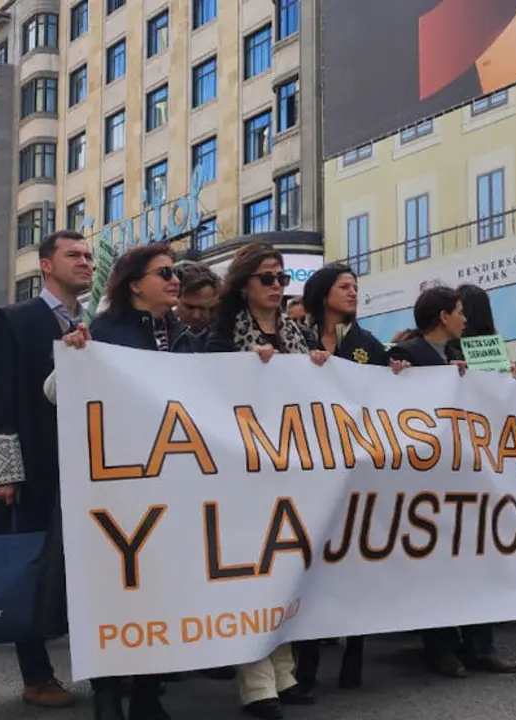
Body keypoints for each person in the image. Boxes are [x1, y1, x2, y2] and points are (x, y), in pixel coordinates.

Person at [54, 243, 185, 720]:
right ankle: (108, 694)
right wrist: (72, 357)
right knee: (113, 588)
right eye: (165, 272)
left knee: (159, 588)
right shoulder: (101, 332)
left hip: (167, 479)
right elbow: (54, 391)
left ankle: (148, 694)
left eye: (178, 274)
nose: (176, 281)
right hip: (114, 482)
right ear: (135, 283)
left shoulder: (180, 333)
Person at [206, 240, 327, 720]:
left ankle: (284, 674)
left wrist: (319, 364)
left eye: (281, 279)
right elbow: (207, 388)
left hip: (291, 467)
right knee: (252, 573)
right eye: (266, 278)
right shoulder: (222, 334)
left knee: (284, 569)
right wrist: (242, 367)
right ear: (244, 284)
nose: (277, 287)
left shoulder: (298, 333)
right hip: (243, 469)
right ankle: (257, 687)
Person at [0, 229, 94, 708]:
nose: (85, 262)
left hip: (87, 465)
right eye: (73, 255)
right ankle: (36, 674)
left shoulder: (95, 322)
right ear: (46, 264)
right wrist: (5, 471)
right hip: (37, 465)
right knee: (32, 566)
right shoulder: (14, 320)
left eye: (88, 255)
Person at [390, 286, 516, 678]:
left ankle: (482, 645)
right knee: (438, 566)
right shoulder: (407, 356)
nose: (465, 319)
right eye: (459, 312)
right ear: (443, 316)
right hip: (429, 476)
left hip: (468, 470)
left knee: (478, 558)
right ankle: (442, 647)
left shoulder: (459, 356)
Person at [293, 264, 407, 692]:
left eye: (357, 287)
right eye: (345, 287)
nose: (353, 293)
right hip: (312, 466)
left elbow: (388, 379)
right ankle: (305, 663)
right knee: (312, 563)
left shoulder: (363, 342)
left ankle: (354, 653)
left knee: (355, 559)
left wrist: (397, 369)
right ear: (323, 293)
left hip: (356, 468)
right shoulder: (297, 337)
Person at [175, 262, 220, 351]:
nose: (196, 316)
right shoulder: (163, 332)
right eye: (190, 307)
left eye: (203, 308)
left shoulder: (226, 335)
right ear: (176, 299)